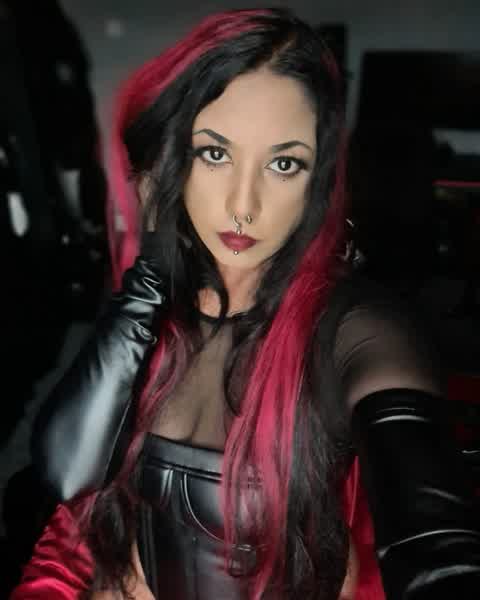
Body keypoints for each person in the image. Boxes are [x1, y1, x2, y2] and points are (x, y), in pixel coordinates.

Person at [10, 7, 480, 600]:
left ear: (317, 182)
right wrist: (150, 271)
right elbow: (67, 473)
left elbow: (436, 547)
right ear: (175, 162)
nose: (243, 205)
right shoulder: (159, 315)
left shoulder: (356, 327)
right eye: (215, 153)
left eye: (283, 164)